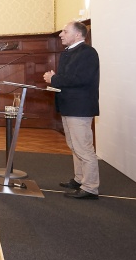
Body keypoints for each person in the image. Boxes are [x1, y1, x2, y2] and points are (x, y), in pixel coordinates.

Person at [43, 21, 100, 199]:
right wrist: (56, 80)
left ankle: (90, 187)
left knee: (84, 148)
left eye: (65, 32)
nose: (61, 34)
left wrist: (54, 79)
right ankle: (79, 179)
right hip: (69, 106)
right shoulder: (68, 52)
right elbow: (69, 78)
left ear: (77, 35)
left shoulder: (87, 53)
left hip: (80, 107)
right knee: (74, 146)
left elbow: (79, 79)